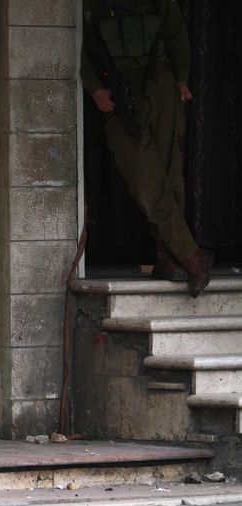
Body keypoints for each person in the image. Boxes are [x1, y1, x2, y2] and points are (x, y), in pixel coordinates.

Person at [81, 0, 213, 297]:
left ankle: (166, 257)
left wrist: (181, 78)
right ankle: (192, 255)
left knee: (171, 175)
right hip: (120, 92)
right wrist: (94, 87)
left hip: (160, 85)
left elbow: (176, 33)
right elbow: (80, 41)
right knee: (145, 181)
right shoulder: (93, 4)